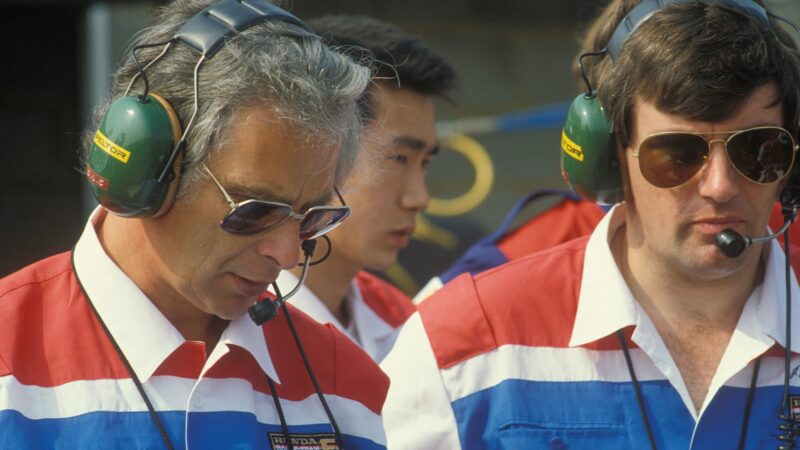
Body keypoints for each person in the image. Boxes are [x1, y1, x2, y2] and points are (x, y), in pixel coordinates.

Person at [381, 1, 800, 448]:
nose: (720, 186)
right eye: (678, 153)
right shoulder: (460, 344)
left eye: (757, 149)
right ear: (608, 159)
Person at [0, 1, 390, 449]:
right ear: (149, 171)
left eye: (312, 219)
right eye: (255, 210)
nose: (284, 253)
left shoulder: (346, 384)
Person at [273, 14, 456, 362]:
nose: (420, 198)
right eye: (400, 159)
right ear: (316, 143)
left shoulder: (403, 321)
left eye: (425, 163)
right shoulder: (232, 321)